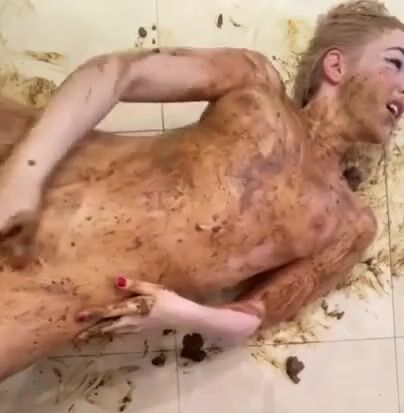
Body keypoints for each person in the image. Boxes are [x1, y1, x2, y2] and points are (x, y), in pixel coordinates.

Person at [0, 0, 403, 380]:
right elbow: (117, 72)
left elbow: (259, 313)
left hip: (50, 300)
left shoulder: (350, 224)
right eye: (396, 63)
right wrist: (24, 175)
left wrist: (178, 313)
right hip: (36, 169)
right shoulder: (256, 82)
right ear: (336, 65)